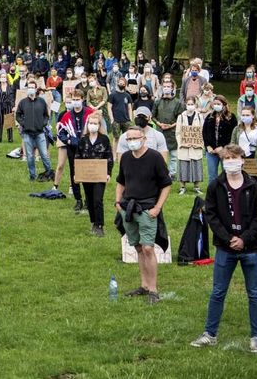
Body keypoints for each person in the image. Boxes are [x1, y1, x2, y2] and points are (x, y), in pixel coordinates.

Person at [191, 145, 257, 353]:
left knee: (254, 293)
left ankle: (256, 337)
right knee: (218, 291)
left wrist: (244, 239)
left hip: (251, 248)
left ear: (243, 160)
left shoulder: (253, 186)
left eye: (235, 158)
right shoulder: (216, 185)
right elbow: (211, 215)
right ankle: (210, 333)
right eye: (227, 158)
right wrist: (228, 237)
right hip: (225, 247)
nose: (231, 161)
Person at [115, 125, 172, 304]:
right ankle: (144, 285)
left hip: (148, 208)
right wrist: (118, 202)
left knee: (148, 248)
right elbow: (120, 182)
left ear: (143, 139)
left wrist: (157, 208)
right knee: (138, 248)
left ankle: (153, 289)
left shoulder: (155, 158)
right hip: (128, 208)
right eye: (129, 139)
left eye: (135, 138)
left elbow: (166, 184)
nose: (132, 141)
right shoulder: (125, 158)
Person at [76, 111, 114, 237]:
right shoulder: (83, 140)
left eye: (95, 123)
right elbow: (78, 157)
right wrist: (77, 174)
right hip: (86, 175)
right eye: (91, 123)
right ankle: (93, 221)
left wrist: (108, 173)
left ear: (99, 125)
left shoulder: (104, 139)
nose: (93, 125)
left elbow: (109, 156)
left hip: (99, 175)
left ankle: (99, 225)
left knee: (98, 199)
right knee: (90, 199)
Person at [15, 80, 52, 181]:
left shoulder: (41, 101)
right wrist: (24, 123)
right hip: (27, 133)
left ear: (36, 89)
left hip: (40, 133)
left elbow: (46, 115)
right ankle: (32, 176)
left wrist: (43, 123)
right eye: (29, 87)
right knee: (30, 156)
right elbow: (18, 115)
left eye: (32, 87)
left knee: (44, 154)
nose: (31, 89)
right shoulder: (23, 102)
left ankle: (49, 173)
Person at [175, 97, 205, 195]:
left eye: (192, 104)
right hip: (184, 146)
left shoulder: (200, 116)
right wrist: (182, 143)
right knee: (183, 165)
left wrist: (199, 143)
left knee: (196, 165)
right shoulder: (181, 116)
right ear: (185, 105)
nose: (190, 106)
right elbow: (178, 133)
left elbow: (202, 132)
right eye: (188, 104)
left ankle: (196, 187)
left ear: (195, 105)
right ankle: (182, 187)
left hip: (196, 146)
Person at [202, 96, 236, 184]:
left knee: (226, 173)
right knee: (212, 175)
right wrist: (208, 146)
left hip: (225, 150)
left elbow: (232, 134)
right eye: (215, 104)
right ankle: (212, 194)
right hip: (211, 151)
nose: (216, 106)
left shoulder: (231, 117)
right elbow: (204, 132)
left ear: (224, 105)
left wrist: (223, 147)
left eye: (218, 104)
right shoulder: (209, 117)